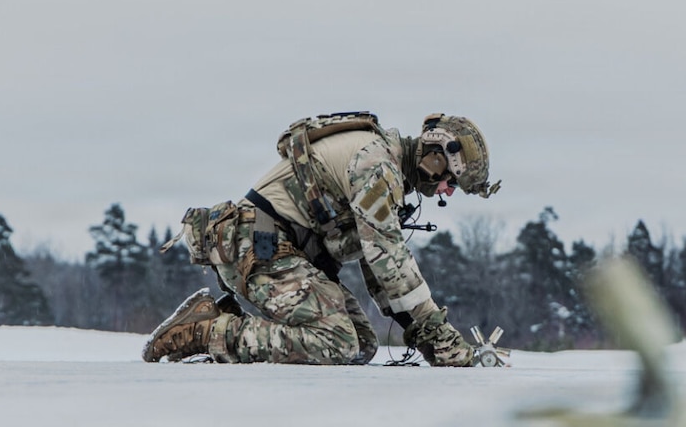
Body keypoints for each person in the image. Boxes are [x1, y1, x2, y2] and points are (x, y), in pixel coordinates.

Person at [142, 111, 504, 367]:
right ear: (438, 158)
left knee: (361, 344)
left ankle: (223, 321)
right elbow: (388, 257)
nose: (447, 192)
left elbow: (377, 269)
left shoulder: (385, 170)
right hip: (258, 244)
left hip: (275, 250)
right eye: (452, 183)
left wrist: (426, 336)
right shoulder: (377, 165)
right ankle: (207, 331)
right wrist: (439, 333)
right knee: (336, 341)